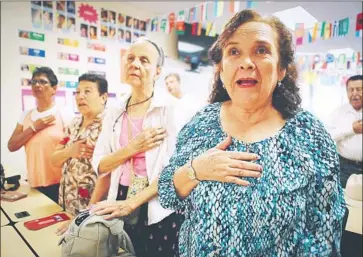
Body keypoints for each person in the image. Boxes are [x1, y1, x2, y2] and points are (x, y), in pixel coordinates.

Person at [158, 10, 346, 257]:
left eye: (261, 50)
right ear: (222, 70)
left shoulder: (309, 134)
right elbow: (167, 193)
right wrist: (195, 170)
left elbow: (325, 231)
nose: (246, 62)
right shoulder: (202, 123)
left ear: (280, 70)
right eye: (234, 52)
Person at [90, 38, 183, 257]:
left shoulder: (170, 108)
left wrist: (133, 203)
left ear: (157, 71)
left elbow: (176, 170)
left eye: (144, 60)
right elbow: (101, 164)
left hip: (158, 200)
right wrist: (132, 148)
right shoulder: (115, 110)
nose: (135, 64)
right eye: (130, 58)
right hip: (120, 194)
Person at [51, 74, 109, 235]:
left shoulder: (109, 126)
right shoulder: (74, 124)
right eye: (78, 92)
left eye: (87, 91)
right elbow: (54, 159)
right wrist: (70, 151)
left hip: (92, 211)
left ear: (103, 97)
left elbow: (108, 175)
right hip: (66, 203)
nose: (80, 96)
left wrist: (85, 215)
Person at [8, 67, 73, 203]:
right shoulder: (26, 115)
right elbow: (12, 145)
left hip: (61, 183)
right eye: (34, 82)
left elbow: (73, 149)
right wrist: (33, 128)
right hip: (34, 183)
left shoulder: (64, 113)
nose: (37, 85)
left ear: (54, 89)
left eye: (43, 82)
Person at [327, 75, 362, 188]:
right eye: (351, 90)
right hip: (345, 167)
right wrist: (352, 129)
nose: (354, 93)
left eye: (359, 89)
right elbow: (329, 136)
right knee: (345, 200)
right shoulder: (338, 113)